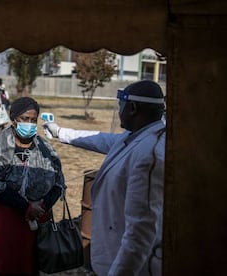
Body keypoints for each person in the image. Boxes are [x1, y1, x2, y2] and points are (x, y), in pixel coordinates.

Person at [45, 80, 166, 276]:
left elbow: (141, 232)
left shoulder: (150, 154)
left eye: (121, 106)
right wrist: (60, 132)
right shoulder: (137, 136)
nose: (119, 111)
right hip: (112, 254)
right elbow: (99, 138)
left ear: (133, 108)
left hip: (133, 266)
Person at [0, 97, 66, 276]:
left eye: (34, 120)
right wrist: (26, 207)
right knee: (7, 265)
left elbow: (58, 182)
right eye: (25, 119)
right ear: (14, 118)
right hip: (10, 219)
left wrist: (42, 206)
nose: (30, 124)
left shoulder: (46, 149)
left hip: (39, 220)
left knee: (32, 266)